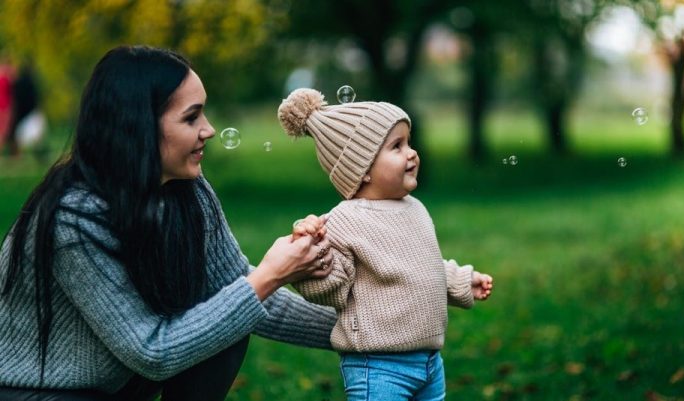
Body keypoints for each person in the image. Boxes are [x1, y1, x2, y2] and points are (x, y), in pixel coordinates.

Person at [0, 45, 337, 401]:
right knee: (232, 309)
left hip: (118, 382)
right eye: (191, 118)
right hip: (38, 391)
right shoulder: (73, 219)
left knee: (229, 318)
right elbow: (152, 351)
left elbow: (248, 294)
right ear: (139, 126)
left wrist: (365, 334)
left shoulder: (188, 190)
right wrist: (271, 274)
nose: (208, 130)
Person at [278, 88, 494, 401]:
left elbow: (421, 266)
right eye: (396, 146)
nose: (412, 153)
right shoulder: (345, 219)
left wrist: (461, 280)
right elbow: (330, 286)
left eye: (409, 142)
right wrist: (314, 248)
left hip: (430, 362)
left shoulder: (415, 208)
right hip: (378, 366)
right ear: (361, 168)